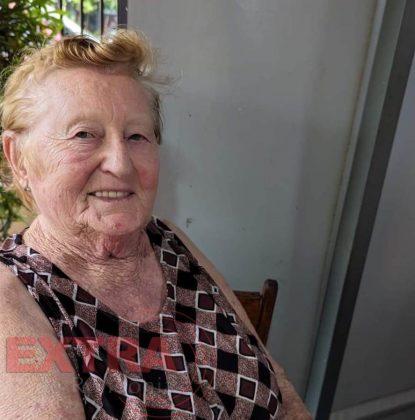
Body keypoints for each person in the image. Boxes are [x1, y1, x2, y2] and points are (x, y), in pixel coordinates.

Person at [0, 30, 285, 419]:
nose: (120, 164)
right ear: (18, 158)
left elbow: (277, 384)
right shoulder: (13, 295)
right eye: (84, 134)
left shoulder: (168, 240)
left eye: (136, 136)